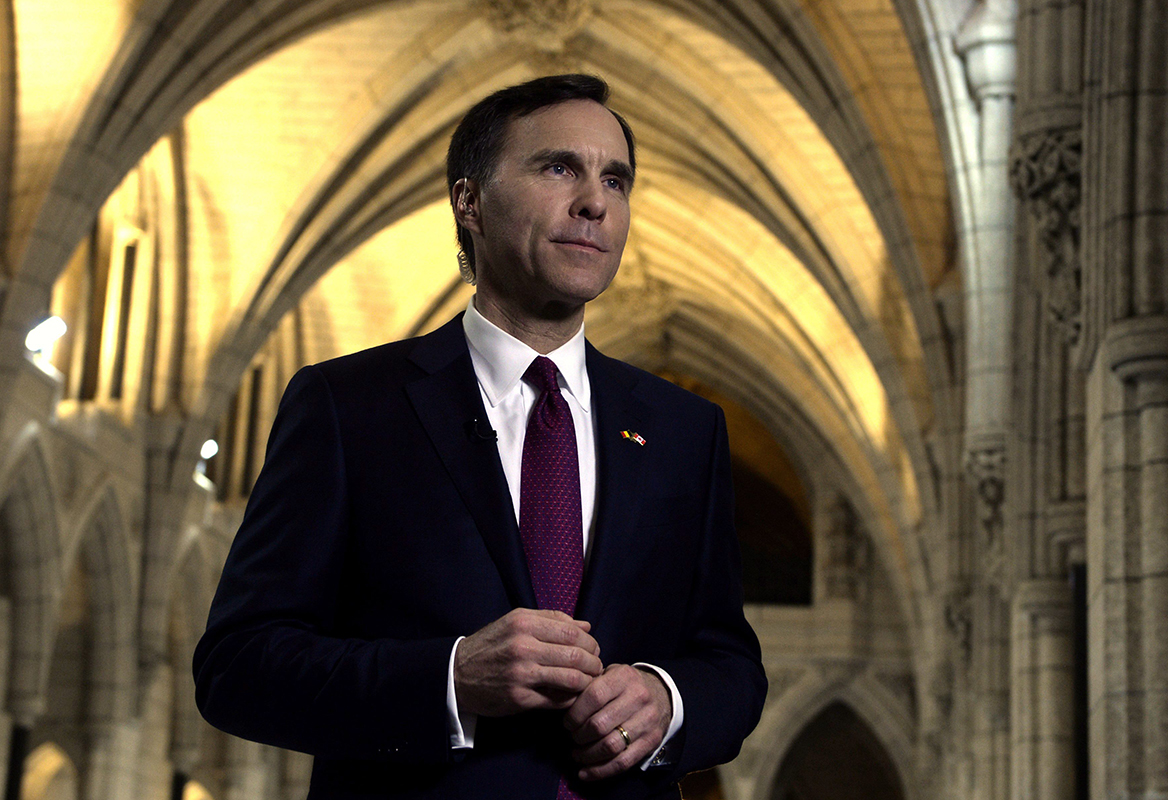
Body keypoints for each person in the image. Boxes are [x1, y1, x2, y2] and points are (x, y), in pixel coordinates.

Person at [193, 74, 766, 800]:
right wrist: (450, 679)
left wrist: (667, 699)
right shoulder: (348, 407)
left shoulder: (684, 429)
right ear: (469, 200)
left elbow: (731, 667)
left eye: (615, 180)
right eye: (559, 167)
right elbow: (237, 667)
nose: (594, 201)